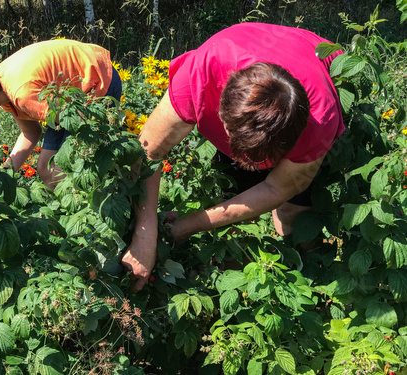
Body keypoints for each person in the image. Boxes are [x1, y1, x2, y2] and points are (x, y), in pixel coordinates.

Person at [121, 23, 345, 291]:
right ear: (221, 112)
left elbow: (277, 187)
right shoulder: (201, 75)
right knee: (232, 193)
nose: (254, 165)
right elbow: (148, 153)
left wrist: (187, 226)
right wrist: (145, 235)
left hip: (316, 63)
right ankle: (236, 277)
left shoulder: (321, 118)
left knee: (293, 211)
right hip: (243, 51)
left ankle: (313, 278)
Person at [0, 39, 122, 190]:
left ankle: (87, 204)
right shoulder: (4, 92)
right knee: (45, 168)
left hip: (97, 81)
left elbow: (75, 119)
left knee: (62, 170)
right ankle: (61, 211)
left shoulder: (22, 94)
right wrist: (5, 173)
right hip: (66, 102)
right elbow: (31, 133)